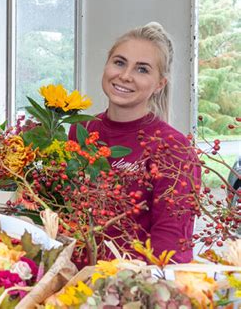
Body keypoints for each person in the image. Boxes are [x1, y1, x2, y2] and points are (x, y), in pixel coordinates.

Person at [69, 22, 200, 263]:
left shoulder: (173, 148)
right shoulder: (82, 129)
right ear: (107, 65)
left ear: (160, 84)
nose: (125, 76)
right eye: (119, 62)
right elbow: (67, 210)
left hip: (130, 288)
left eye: (142, 69)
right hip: (70, 281)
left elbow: (170, 246)